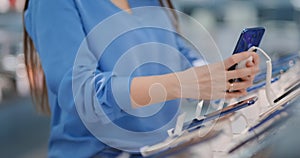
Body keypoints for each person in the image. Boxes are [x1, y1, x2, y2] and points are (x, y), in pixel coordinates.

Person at [23, 0, 260, 157]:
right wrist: (181, 83)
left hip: (163, 148)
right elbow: (80, 93)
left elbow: (180, 54)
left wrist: (221, 75)